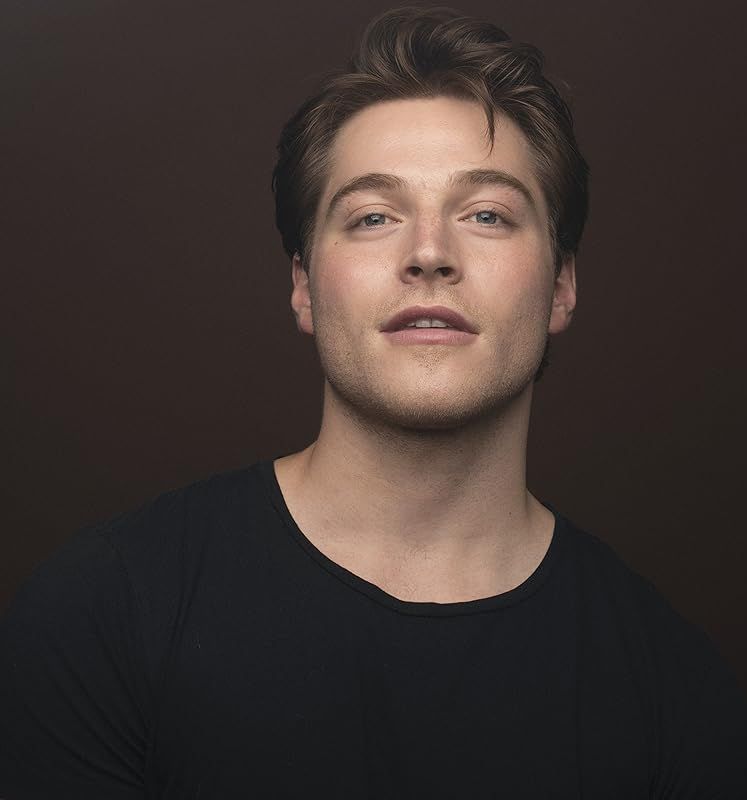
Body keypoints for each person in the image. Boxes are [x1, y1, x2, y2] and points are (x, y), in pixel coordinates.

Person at [2, 5, 746, 798]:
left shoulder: (676, 689)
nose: (428, 253)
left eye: (486, 214)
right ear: (304, 285)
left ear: (560, 285)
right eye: (373, 217)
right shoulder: (104, 609)